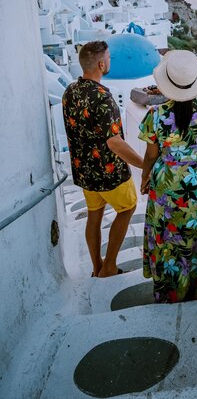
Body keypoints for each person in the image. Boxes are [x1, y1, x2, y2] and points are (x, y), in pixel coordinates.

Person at [139, 50, 197, 303]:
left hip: (165, 182)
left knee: (166, 235)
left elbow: (150, 156)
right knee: (195, 237)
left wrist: (145, 177)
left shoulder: (155, 116)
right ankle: (193, 291)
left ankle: (167, 292)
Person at [62, 40, 144, 277]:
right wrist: (144, 164)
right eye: (108, 58)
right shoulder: (103, 97)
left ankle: (96, 265)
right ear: (101, 63)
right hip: (109, 173)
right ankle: (108, 266)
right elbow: (114, 142)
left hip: (85, 172)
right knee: (128, 208)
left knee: (94, 216)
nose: (110, 61)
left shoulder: (71, 91)